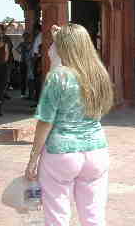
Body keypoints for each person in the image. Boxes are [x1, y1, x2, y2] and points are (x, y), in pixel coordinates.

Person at [25, 23, 114, 226]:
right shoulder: (99, 74)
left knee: (57, 216)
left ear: (61, 48)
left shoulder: (58, 77)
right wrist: (61, 37)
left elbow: (45, 121)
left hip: (61, 153)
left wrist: (33, 158)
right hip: (96, 151)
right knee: (94, 215)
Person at [16, 32, 32, 97]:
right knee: (24, 78)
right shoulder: (27, 44)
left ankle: (25, 92)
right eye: (25, 36)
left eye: (26, 36)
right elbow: (17, 49)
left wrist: (21, 52)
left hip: (25, 61)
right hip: (25, 61)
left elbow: (17, 49)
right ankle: (23, 92)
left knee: (25, 78)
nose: (25, 38)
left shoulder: (23, 44)